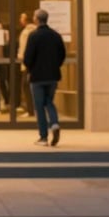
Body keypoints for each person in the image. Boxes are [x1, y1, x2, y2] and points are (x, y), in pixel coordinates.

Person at [24, 8, 66, 147]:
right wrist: (55, 66)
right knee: (49, 101)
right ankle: (54, 123)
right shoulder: (56, 35)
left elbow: (28, 57)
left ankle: (43, 137)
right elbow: (62, 55)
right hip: (53, 75)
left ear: (36, 19)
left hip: (37, 76)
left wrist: (29, 69)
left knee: (39, 106)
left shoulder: (33, 36)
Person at [16, 11, 37, 116]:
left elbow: (23, 49)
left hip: (27, 63)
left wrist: (21, 59)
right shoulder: (37, 30)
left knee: (26, 85)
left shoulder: (25, 32)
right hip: (37, 64)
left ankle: (30, 110)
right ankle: (35, 108)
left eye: (21, 18)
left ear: (25, 20)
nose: (20, 20)